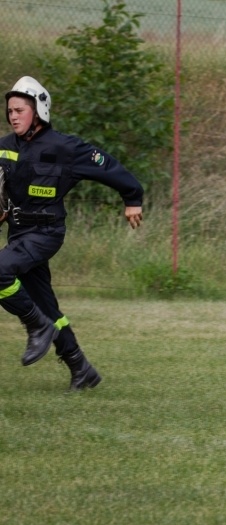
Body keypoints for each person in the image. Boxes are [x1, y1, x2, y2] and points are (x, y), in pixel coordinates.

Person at [1, 75, 143, 390]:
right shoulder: (4, 148)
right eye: (10, 111)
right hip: (18, 235)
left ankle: (37, 327)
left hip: (46, 233)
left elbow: (108, 166)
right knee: (48, 306)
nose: (13, 116)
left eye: (20, 110)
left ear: (38, 111)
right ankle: (81, 368)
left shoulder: (66, 147)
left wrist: (132, 197)